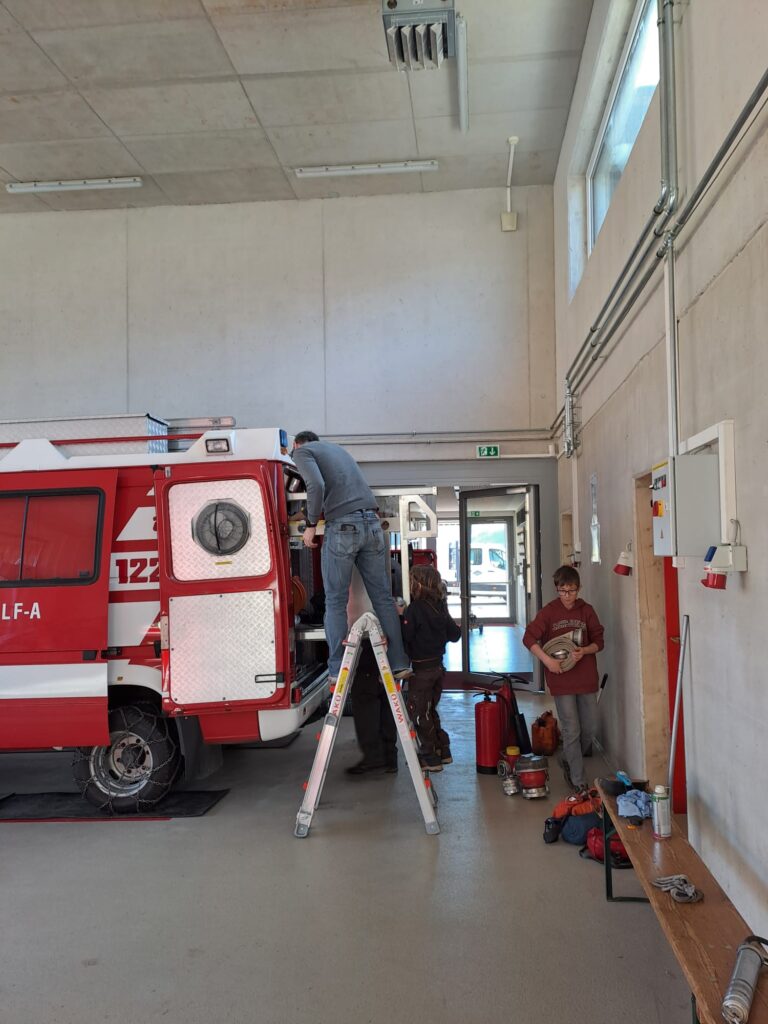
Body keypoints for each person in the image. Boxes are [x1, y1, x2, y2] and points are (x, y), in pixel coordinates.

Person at [291, 431, 412, 685]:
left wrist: (311, 525)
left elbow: (316, 485)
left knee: (335, 601)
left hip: (343, 527)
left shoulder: (302, 452)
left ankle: (337, 669)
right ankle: (399, 662)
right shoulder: (338, 451)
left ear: (297, 444)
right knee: (383, 598)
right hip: (372, 525)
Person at [522, 565, 604, 793]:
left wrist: (584, 650)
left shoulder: (586, 611)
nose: (567, 596)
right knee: (571, 729)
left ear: (579, 588)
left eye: (572, 590)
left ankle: (567, 758)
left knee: (590, 727)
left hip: (586, 677)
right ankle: (579, 781)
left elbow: (599, 641)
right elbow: (528, 638)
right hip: (561, 679)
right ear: (557, 588)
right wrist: (548, 661)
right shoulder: (549, 612)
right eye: (563, 591)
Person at [402, 564, 461, 772]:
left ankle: (430, 758)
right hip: (437, 668)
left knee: (419, 713)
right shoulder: (440, 607)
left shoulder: (414, 609)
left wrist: (401, 617)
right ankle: (443, 750)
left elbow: (406, 637)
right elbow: (455, 635)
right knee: (429, 710)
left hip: (421, 672)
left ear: (417, 585)